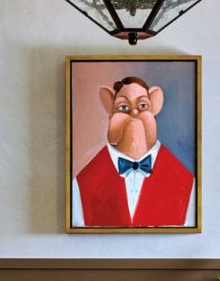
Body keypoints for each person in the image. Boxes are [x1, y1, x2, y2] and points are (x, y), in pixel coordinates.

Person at [71, 75, 196, 228]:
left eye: (143, 105)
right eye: (123, 107)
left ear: (154, 106)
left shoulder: (186, 183)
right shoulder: (82, 184)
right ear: (110, 111)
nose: (134, 113)